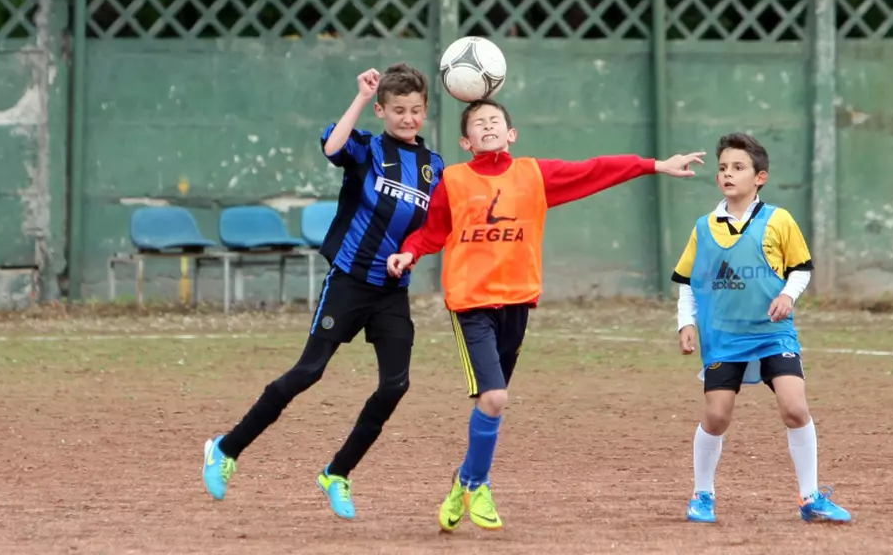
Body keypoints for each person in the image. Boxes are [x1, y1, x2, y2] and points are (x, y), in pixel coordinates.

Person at [384, 98, 705, 532]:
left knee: (490, 402)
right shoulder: (454, 181)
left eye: (495, 120)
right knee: (495, 398)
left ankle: (464, 478)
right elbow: (432, 232)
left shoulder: (533, 175)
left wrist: (654, 165)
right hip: (472, 303)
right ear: (466, 141)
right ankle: (477, 483)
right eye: (478, 123)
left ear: (511, 133)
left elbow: (593, 171)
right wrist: (409, 253)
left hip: (518, 302)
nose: (488, 126)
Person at [201, 64, 445, 521]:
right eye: (398, 110)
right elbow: (332, 147)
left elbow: (437, 225)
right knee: (308, 371)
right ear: (382, 110)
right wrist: (360, 97)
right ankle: (225, 449)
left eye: (415, 110)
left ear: (426, 110)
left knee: (396, 384)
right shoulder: (367, 147)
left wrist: (410, 254)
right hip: (349, 281)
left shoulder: (435, 168)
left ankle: (337, 473)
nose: (408, 118)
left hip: (392, 291)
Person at [673, 132, 851, 524]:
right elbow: (688, 282)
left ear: (760, 177)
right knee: (717, 416)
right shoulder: (704, 227)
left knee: (795, 408)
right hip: (724, 337)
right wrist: (686, 322)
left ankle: (810, 497)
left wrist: (788, 295)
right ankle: (702, 494)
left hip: (773, 333)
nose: (728, 174)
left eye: (738, 167)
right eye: (723, 168)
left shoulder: (778, 220)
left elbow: (800, 269)